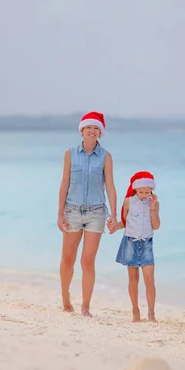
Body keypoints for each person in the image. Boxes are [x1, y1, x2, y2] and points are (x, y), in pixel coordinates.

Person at [57, 111, 118, 317]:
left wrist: (114, 214)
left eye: (96, 128)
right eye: (89, 127)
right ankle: (65, 298)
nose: (92, 131)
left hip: (96, 213)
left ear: (100, 133)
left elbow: (110, 185)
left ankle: (85, 306)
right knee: (67, 258)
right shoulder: (70, 154)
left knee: (87, 261)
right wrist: (60, 214)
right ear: (82, 130)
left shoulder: (106, 156)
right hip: (72, 211)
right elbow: (64, 183)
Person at [110, 171, 160, 322]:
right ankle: (135, 312)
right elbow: (125, 222)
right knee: (133, 279)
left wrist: (152, 208)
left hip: (146, 244)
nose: (144, 194)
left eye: (147, 191)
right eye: (141, 191)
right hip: (130, 242)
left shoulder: (154, 203)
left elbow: (156, 225)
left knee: (149, 279)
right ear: (135, 189)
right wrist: (114, 227)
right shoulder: (128, 202)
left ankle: (151, 314)